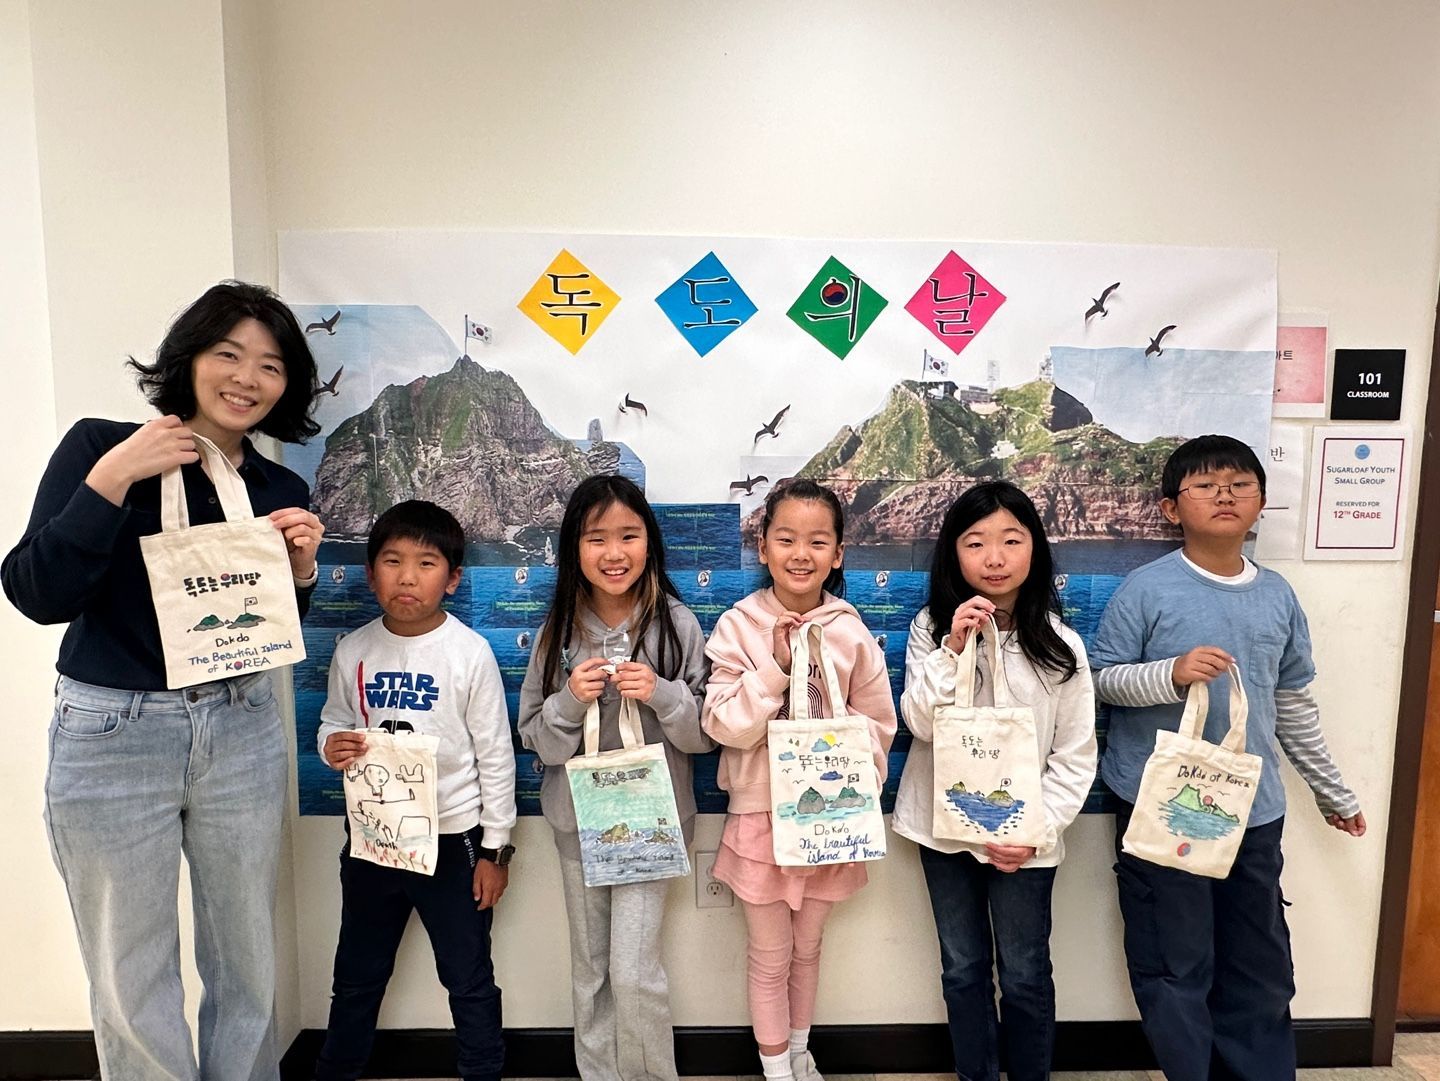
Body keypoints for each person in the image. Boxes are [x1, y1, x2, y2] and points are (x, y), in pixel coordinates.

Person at [2, 281, 326, 1080]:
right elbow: (37, 593)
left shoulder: (278, 490)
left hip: (241, 723)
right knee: (130, 966)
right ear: (189, 357)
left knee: (247, 955)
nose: (247, 377)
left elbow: (266, 627)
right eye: (228, 354)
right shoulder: (99, 446)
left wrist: (301, 570)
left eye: (271, 365)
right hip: (114, 730)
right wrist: (113, 478)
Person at [1089, 434, 1365, 1081]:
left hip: (1253, 811)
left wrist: (1332, 791)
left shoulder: (1278, 596)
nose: (1224, 495)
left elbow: (1292, 703)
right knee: (1175, 960)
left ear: (1261, 502)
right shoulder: (1146, 589)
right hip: (1161, 807)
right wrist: (1171, 673)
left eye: (1240, 484)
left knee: (1259, 964)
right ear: (1170, 508)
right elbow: (1101, 680)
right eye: (1206, 485)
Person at [893, 481, 1096, 1081]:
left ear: (1035, 548)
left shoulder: (1061, 645)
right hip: (943, 831)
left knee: (1026, 972)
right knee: (962, 969)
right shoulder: (931, 629)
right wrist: (953, 649)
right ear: (953, 553)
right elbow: (919, 724)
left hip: (1024, 840)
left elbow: (1075, 754)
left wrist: (1036, 829)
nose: (995, 558)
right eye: (976, 542)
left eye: (1012, 540)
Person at [517, 475, 711, 1081]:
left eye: (629, 535)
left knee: (634, 971)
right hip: (578, 825)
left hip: (654, 825)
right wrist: (569, 701)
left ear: (650, 541)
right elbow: (538, 740)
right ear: (574, 548)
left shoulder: (677, 624)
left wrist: (662, 694)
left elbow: (705, 736)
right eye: (596, 537)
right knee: (592, 971)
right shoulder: (556, 633)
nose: (614, 552)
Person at [314, 499, 515, 1081]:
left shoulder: (469, 652)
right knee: (356, 975)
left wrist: (497, 850)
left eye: (426, 563)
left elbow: (495, 756)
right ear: (370, 572)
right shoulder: (353, 649)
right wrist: (331, 745)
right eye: (392, 561)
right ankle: (336, 1071)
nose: (407, 577)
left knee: (468, 976)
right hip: (372, 840)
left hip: (453, 843)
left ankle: (483, 1072)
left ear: (452, 579)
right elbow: (333, 720)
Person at [702, 480, 897, 1081]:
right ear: (763, 547)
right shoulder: (738, 626)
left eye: (817, 541)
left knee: (808, 948)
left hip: (830, 814)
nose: (801, 554)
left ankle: (800, 1054)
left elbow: (880, 725)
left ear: (838, 553)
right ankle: (776, 1070)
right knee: (770, 954)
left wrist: (848, 774)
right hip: (760, 817)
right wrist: (778, 670)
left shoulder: (851, 631)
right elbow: (723, 725)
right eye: (786, 539)